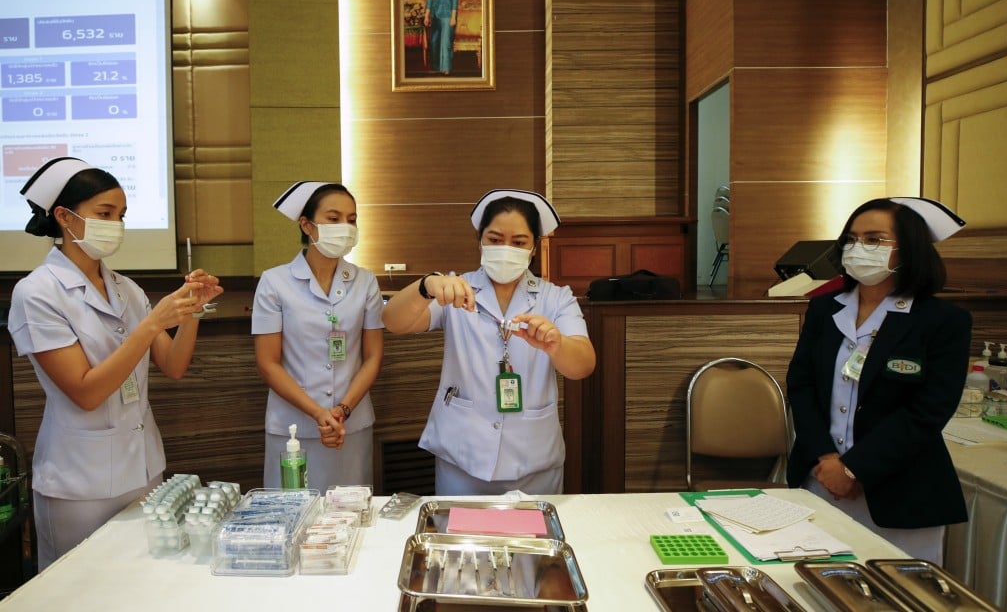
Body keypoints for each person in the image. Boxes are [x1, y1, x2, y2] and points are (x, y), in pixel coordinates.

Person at [8, 156, 223, 569]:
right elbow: (86, 391)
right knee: (80, 591)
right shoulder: (37, 292)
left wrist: (191, 311)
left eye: (121, 215)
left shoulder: (125, 288)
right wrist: (152, 323)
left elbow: (173, 365)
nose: (116, 224)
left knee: (140, 584)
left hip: (142, 469)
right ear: (64, 217)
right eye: (104, 213)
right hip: (79, 483)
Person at [786, 197, 972, 564]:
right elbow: (801, 384)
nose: (858, 249)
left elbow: (927, 412)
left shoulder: (942, 321)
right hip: (821, 479)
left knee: (899, 595)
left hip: (901, 491)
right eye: (852, 239)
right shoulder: (826, 309)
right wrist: (827, 460)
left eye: (874, 240)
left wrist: (855, 469)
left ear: (910, 248)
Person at [382, 189, 596, 495]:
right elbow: (393, 321)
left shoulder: (555, 297)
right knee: (461, 540)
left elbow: (583, 365)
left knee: (532, 541)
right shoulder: (456, 288)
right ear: (480, 241)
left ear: (533, 248)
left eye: (519, 242)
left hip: (533, 462)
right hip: (463, 459)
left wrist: (556, 344)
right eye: (495, 239)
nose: (506, 249)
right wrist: (427, 284)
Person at [252, 182, 383, 491]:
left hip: (350, 425)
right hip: (293, 427)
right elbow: (267, 364)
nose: (345, 227)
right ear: (306, 225)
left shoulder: (365, 282)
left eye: (351, 220)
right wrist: (318, 413)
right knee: (292, 516)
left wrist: (342, 411)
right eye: (333, 218)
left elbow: (373, 357)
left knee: (351, 517)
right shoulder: (274, 283)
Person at [424, 0, 459, 75]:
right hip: (435, 15)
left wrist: (453, 17)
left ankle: (446, 67)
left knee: (445, 42)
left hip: (448, 16)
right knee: (434, 41)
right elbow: (429, 0)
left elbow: (455, 0)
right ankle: (437, 66)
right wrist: (426, 16)